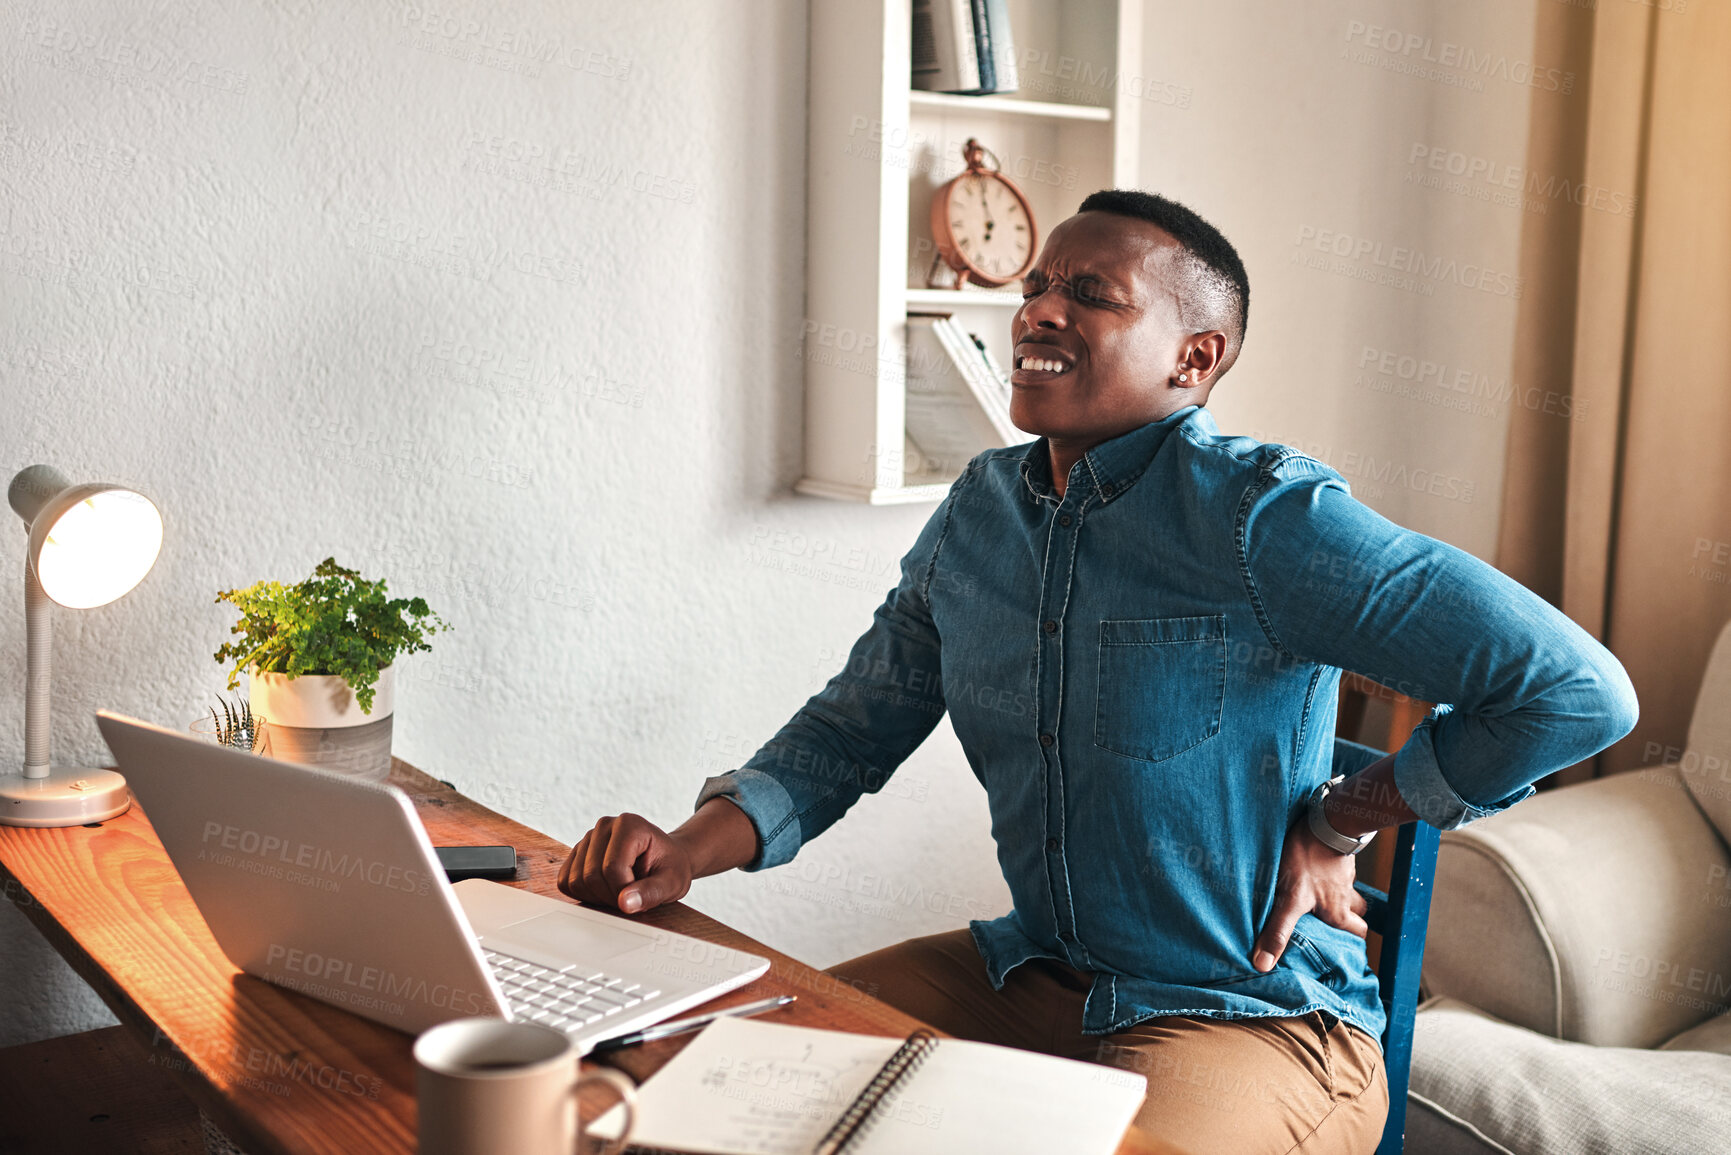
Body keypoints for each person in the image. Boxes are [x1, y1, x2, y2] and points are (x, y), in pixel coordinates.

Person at [558, 189, 1639, 1153]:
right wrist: (686, 851)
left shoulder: (1267, 519)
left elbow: (1574, 689)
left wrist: (1345, 815)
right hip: (1031, 978)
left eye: (1091, 293)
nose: (1037, 311)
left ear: (1195, 358)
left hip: (1250, 1017)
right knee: (686, 1076)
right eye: (1036, 286)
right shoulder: (980, 510)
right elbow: (854, 727)